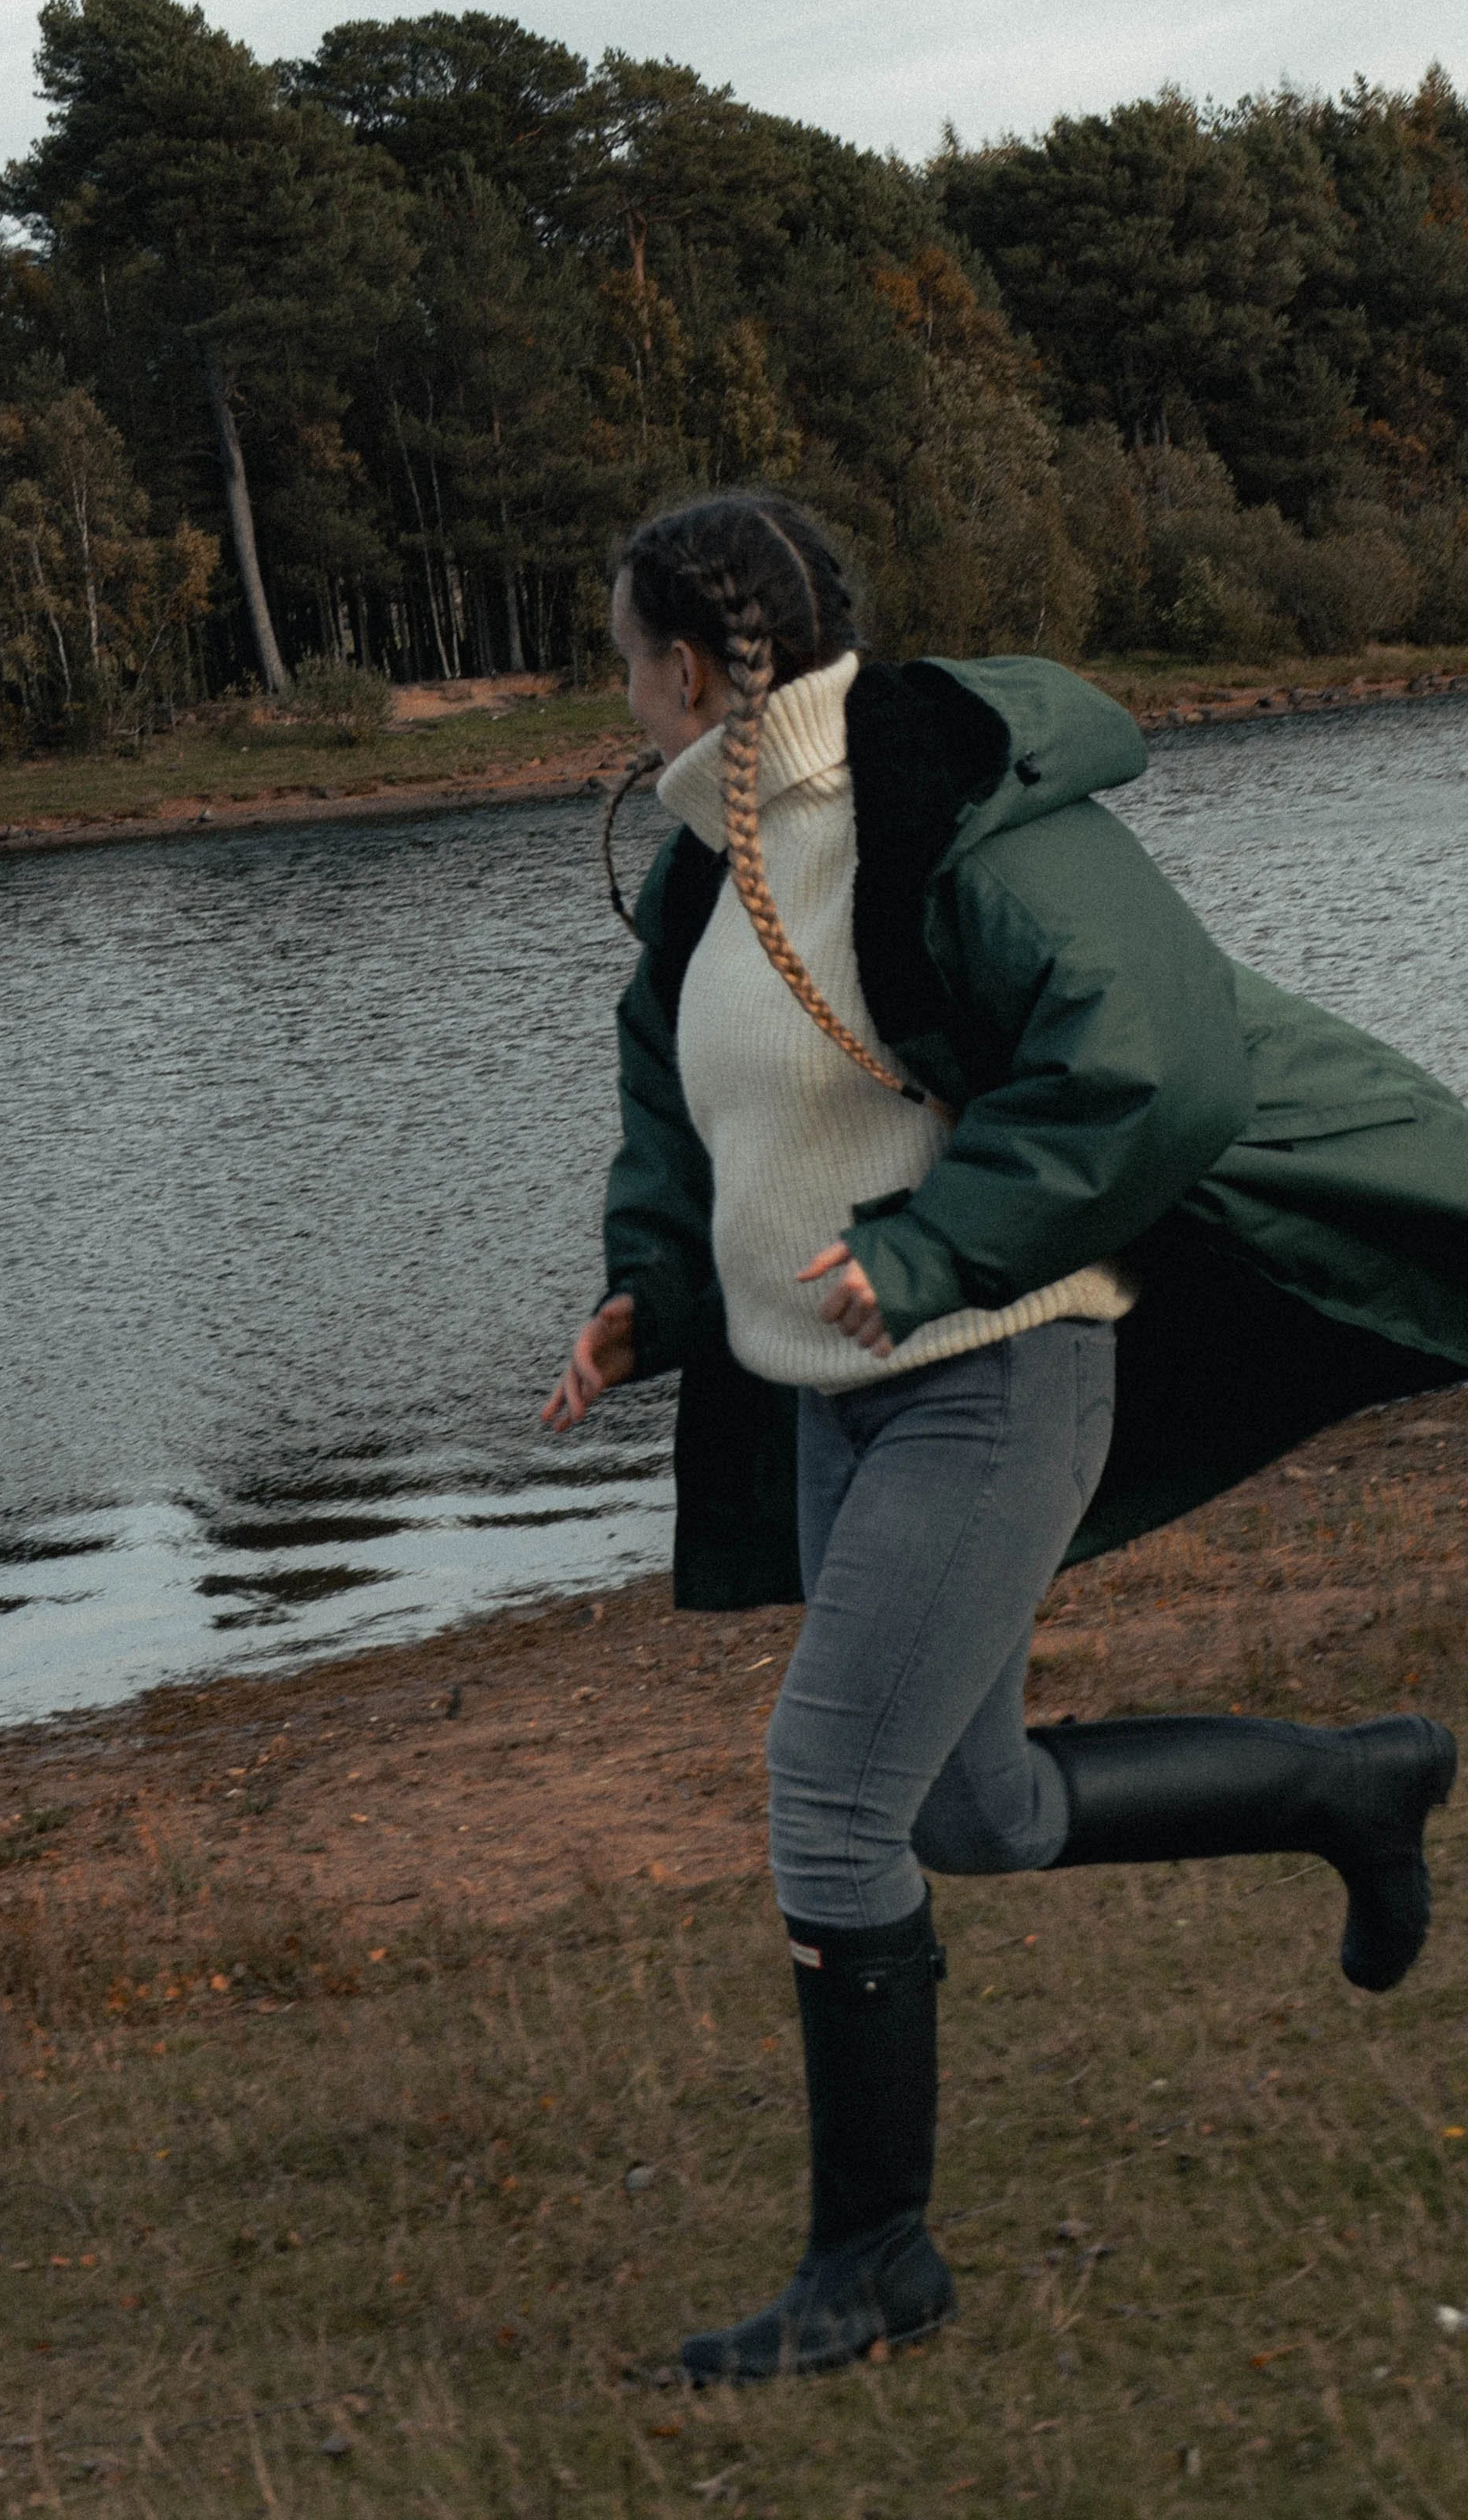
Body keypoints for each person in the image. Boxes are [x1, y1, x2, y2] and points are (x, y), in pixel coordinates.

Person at [542, 492, 1468, 2385]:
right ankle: (1344, 1789)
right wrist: (650, 1295)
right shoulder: (708, 867)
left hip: (1005, 1364)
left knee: (826, 1790)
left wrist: (936, 1244)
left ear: (692, 667)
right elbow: (680, 1098)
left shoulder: (957, 812)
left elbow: (1156, 1056)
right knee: (972, 1811)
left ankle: (873, 2264)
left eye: (622, 651)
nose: (613, 683)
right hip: (837, 1399)